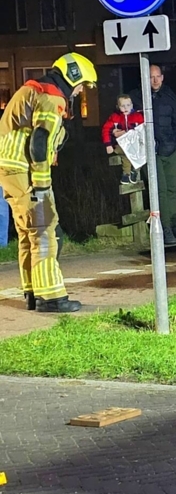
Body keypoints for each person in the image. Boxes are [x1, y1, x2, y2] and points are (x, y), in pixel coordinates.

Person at [0, 52, 97, 313]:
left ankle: (32, 292)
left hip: (10, 169)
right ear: (73, 75)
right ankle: (52, 298)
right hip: (26, 172)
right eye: (81, 85)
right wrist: (42, 186)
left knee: (28, 233)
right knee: (46, 231)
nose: (79, 92)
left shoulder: (33, 90)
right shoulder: (52, 97)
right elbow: (40, 141)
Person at [131, 64, 176, 247]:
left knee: (172, 189)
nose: (155, 80)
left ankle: (175, 225)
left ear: (162, 77)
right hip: (151, 151)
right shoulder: (136, 97)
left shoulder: (170, 96)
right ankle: (165, 229)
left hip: (170, 149)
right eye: (150, 77)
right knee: (160, 191)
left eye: (157, 76)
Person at [101, 94, 145, 185]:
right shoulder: (114, 117)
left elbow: (144, 130)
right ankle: (126, 173)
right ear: (118, 107)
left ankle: (135, 170)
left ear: (132, 106)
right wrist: (108, 144)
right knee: (125, 153)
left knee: (143, 152)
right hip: (120, 144)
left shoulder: (138, 117)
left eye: (128, 105)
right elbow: (106, 129)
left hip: (135, 144)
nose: (126, 108)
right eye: (123, 106)